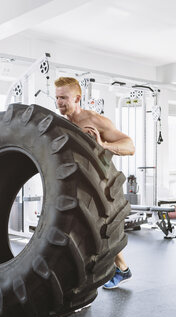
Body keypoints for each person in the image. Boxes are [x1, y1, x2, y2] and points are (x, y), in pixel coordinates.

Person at [54, 77, 135, 289]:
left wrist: (104, 144)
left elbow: (129, 145)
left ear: (77, 98)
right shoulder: (59, 123)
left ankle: (85, 283)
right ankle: (122, 270)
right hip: (75, 183)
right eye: (57, 98)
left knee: (97, 232)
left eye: (64, 98)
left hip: (101, 182)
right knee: (91, 232)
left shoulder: (95, 121)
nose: (59, 102)